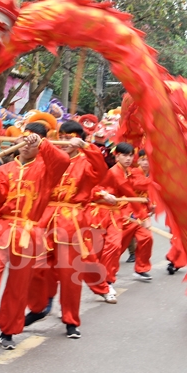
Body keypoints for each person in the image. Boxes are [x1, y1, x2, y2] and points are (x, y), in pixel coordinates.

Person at [0, 122, 69, 351]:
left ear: (40, 143)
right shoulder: (5, 169)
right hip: (1, 230)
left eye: (31, 140)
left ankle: (8, 330)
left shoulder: (48, 168)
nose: (25, 144)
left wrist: (42, 143)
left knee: (18, 286)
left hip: (29, 234)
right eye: (23, 139)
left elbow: (63, 160)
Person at [26, 120, 108, 338]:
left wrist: (87, 147)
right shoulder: (49, 158)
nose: (64, 141)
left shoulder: (85, 162)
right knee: (36, 266)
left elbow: (101, 171)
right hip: (44, 218)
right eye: (61, 137)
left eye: (69, 138)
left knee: (70, 273)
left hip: (71, 221)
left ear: (78, 139)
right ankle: (39, 307)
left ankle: (71, 320)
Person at [92, 143, 154, 284]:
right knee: (114, 246)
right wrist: (144, 216)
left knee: (146, 237)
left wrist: (150, 200)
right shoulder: (115, 172)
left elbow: (141, 188)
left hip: (126, 211)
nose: (128, 159)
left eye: (131, 156)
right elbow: (129, 192)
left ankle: (139, 269)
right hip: (109, 212)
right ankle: (105, 275)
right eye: (125, 155)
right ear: (117, 156)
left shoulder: (130, 172)